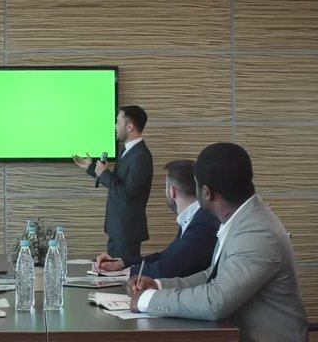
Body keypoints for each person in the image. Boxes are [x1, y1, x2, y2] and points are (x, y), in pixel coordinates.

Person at [128, 143, 308, 342]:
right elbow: (212, 276)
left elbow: (216, 301)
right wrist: (159, 285)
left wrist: (147, 300)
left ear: (206, 193)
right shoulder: (242, 219)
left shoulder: (257, 231)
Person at [95, 159, 218, 279]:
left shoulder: (202, 224)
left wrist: (128, 272)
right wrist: (120, 263)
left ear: (172, 191)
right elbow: (164, 256)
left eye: (166, 186)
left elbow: (169, 268)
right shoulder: (194, 218)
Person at [73, 105, 153, 258]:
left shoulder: (140, 156)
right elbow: (117, 184)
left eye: (118, 122)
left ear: (129, 126)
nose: (115, 126)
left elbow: (127, 193)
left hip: (127, 230)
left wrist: (104, 173)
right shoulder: (127, 151)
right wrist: (91, 167)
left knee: (123, 276)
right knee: (113, 275)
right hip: (117, 228)